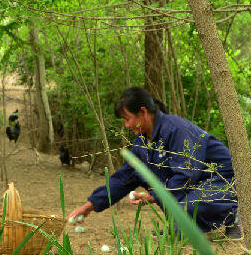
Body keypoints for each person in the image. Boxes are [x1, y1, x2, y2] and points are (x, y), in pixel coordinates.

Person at [67, 87, 241, 239]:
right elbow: (123, 178)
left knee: (186, 205)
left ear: (143, 112)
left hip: (221, 181)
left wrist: (153, 196)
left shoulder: (176, 129)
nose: (127, 125)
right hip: (195, 186)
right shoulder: (141, 144)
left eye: (127, 119)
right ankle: (185, 227)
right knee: (149, 177)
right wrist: (90, 205)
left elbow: (187, 175)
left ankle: (233, 214)